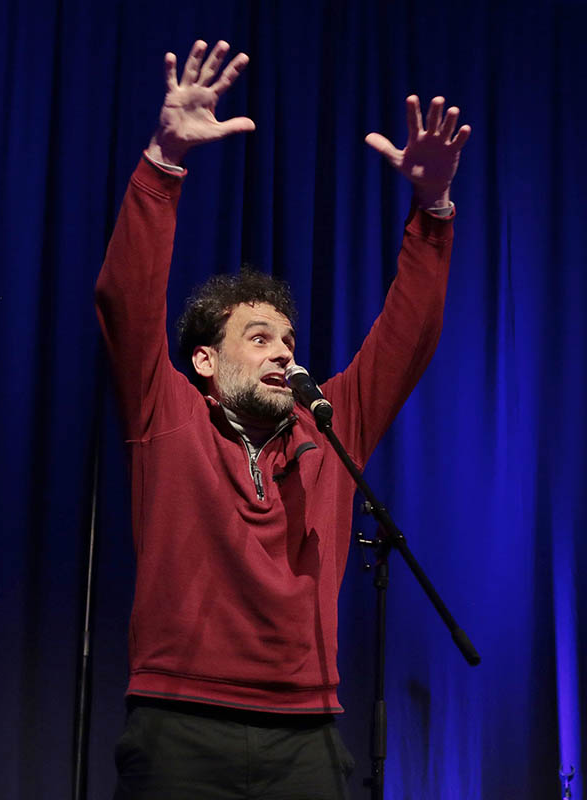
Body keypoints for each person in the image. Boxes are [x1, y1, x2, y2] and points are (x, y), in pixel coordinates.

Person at [95, 38, 470, 800]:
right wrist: (163, 163)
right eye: (256, 338)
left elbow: (408, 337)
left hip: (307, 732)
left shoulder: (328, 428)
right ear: (205, 360)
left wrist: (432, 213)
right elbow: (125, 300)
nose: (280, 352)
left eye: (288, 340)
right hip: (179, 722)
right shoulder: (165, 413)